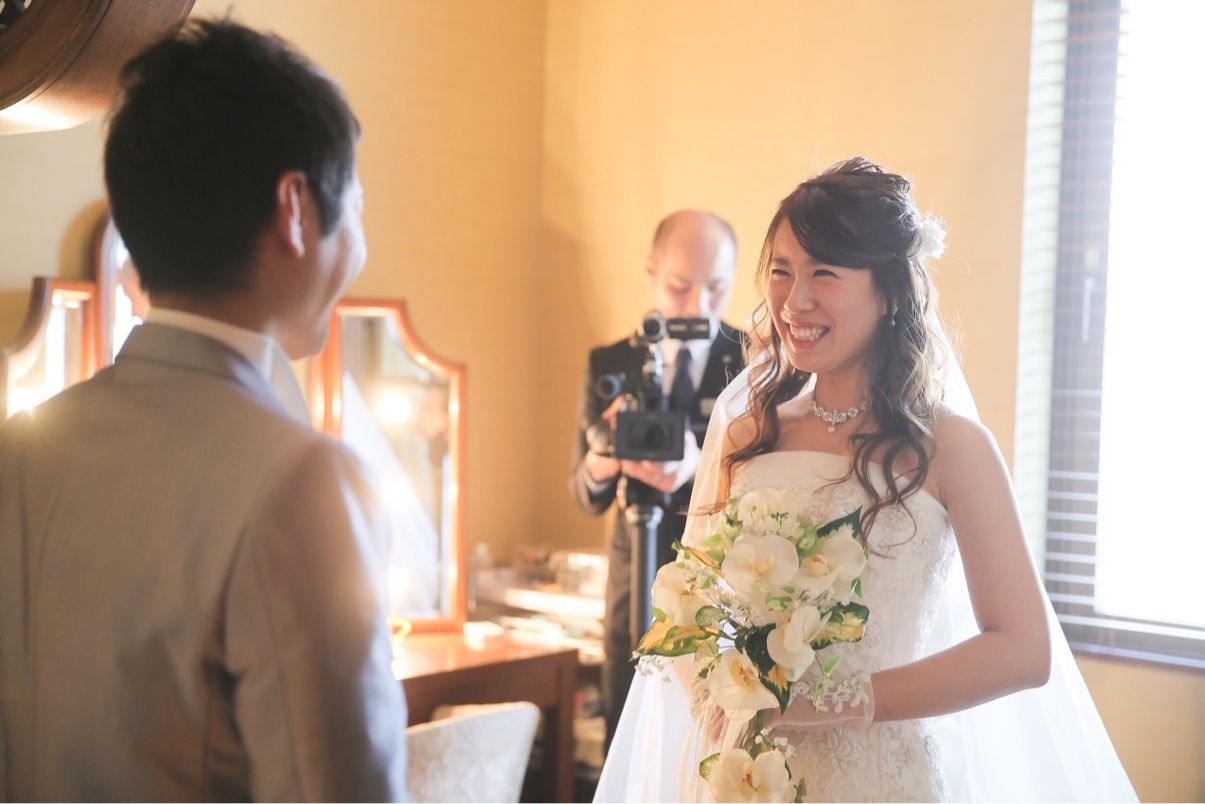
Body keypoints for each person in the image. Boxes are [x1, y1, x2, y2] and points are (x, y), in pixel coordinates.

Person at [595, 158, 1135, 801]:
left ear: (890, 291)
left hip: (880, 778)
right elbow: (691, 599)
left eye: (824, 272)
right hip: (746, 773)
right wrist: (720, 698)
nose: (794, 301)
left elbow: (1022, 651)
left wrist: (830, 705)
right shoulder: (747, 435)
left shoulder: (954, 450)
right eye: (782, 271)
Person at [0, 19, 408, 801]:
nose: (359, 242)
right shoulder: (303, 482)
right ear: (296, 209)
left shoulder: (21, 451)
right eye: (354, 206)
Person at [569, 210, 746, 751]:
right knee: (625, 734)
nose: (698, 305)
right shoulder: (611, 362)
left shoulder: (753, 359)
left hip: (720, 574)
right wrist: (606, 458)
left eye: (716, 287)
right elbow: (584, 492)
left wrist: (699, 465)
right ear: (651, 272)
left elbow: (768, 484)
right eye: (680, 286)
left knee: (701, 741)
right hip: (633, 572)